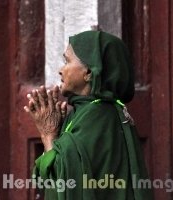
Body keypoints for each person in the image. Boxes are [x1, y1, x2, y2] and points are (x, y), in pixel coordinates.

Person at [24, 30, 153, 200]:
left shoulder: (99, 116)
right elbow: (46, 179)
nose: (61, 70)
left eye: (67, 61)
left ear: (89, 73)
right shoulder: (83, 112)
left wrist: (48, 135)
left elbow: (65, 182)